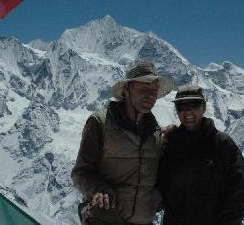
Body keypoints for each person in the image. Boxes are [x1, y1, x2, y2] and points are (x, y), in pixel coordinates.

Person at [71, 61, 174, 225]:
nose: (150, 94)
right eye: (143, 88)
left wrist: (176, 136)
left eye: (154, 90)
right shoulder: (100, 123)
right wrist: (98, 190)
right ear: (126, 91)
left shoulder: (157, 133)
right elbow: (80, 173)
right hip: (106, 218)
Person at [157, 84, 244, 225]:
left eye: (194, 105)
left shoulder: (223, 144)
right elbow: (160, 185)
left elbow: (239, 193)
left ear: (204, 107)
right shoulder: (171, 143)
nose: (187, 112)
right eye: (181, 107)